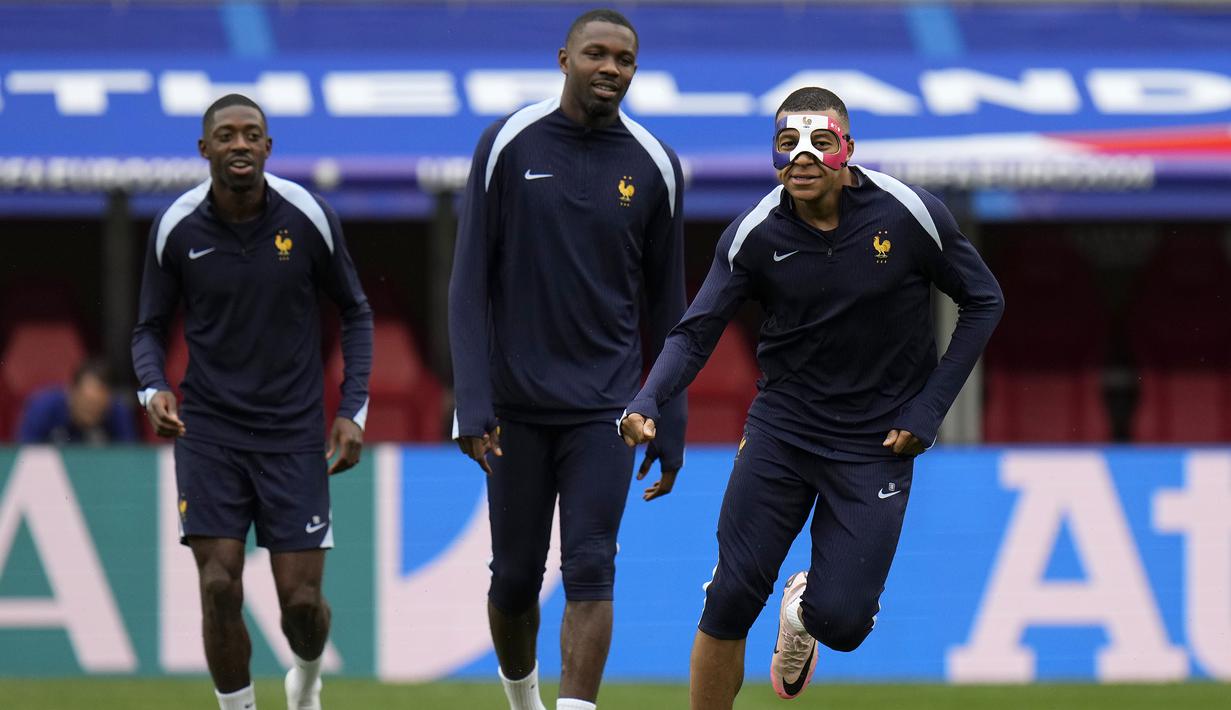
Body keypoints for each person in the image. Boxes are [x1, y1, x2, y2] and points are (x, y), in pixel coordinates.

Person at [620, 87, 1004, 709]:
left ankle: (802, 615)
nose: (801, 156)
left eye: (819, 142)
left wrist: (928, 410)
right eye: (786, 143)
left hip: (877, 443)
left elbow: (985, 301)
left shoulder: (909, 214)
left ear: (848, 151)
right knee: (731, 598)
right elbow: (696, 334)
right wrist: (647, 400)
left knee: (843, 623)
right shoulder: (752, 234)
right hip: (783, 432)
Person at [448, 9, 687, 710]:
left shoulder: (656, 165)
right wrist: (472, 399)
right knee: (514, 580)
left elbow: (669, 308)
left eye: (624, 60)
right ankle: (523, 701)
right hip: (514, 410)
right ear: (563, 59)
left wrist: (668, 418)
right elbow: (466, 282)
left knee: (591, 566)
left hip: (606, 411)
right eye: (597, 55)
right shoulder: (506, 144)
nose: (611, 69)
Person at [131, 93, 373, 710]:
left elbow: (356, 311)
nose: (240, 144)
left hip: (293, 435)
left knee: (301, 605)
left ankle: (307, 681)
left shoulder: (307, 216)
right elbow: (148, 329)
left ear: (269, 147)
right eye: (227, 135)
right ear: (204, 148)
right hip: (209, 432)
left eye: (252, 134)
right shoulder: (176, 227)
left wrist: (351, 409)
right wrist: (153, 387)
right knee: (218, 585)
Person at [17, 358, 138, 444]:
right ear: (71, 392)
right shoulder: (43, 408)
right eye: (88, 403)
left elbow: (128, 457)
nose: (92, 411)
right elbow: (25, 453)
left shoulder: (118, 411)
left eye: (98, 406)